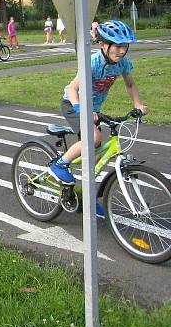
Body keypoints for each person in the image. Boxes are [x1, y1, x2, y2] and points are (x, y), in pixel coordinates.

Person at [49, 21, 148, 216]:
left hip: (93, 108)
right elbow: (72, 89)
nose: (121, 51)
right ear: (103, 45)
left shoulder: (122, 63)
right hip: (73, 104)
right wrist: (80, 108)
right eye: (117, 46)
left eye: (124, 46)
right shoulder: (93, 62)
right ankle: (59, 164)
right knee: (94, 139)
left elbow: (130, 85)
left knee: (96, 156)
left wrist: (138, 104)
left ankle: (85, 198)